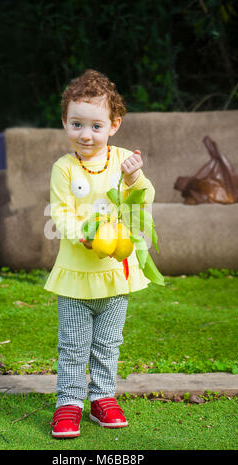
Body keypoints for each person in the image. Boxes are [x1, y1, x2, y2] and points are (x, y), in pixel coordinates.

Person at [44, 69, 155, 438]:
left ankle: (103, 398)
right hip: (76, 275)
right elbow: (60, 213)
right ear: (65, 122)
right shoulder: (63, 167)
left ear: (114, 125)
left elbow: (144, 201)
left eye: (95, 125)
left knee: (108, 343)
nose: (86, 134)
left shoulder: (123, 161)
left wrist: (135, 179)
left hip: (115, 272)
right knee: (73, 346)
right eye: (76, 124)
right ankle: (69, 402)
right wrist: (85, 236)